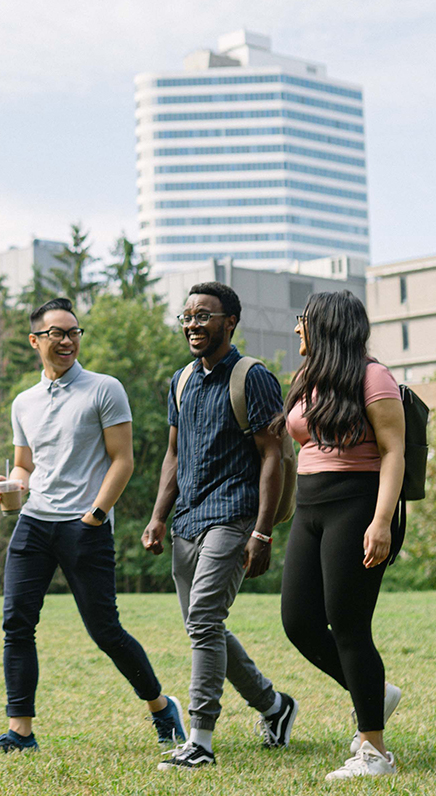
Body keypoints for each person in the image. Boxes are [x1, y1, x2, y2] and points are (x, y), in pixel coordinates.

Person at [0, 297, 186, 756]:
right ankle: (20, 733)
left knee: (105, 630)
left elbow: (122, 460)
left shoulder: (104, 389)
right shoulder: (23, 402)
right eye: (56, 333)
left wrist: (97, 515)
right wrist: (11, 484)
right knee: (16, 624)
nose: (67, 341)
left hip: (84, 524)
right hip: (34, 523)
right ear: (35, 341)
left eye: (73, 332)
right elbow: (26, 466)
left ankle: (162, 707)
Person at [142, 282, 297, 770]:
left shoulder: (253, 378)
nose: (192, 323)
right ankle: (275, 706)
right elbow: (173, 454)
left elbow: (273, 456)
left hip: (234, 515)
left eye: (204, 315)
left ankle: (200, 740)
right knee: (203, 626)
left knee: (205, 621)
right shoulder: (181, 380)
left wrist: (263, 531)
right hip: (188, 517)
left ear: (230, 322)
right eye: (187, 315)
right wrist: (158, 516)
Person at [279, 291, 405, 781]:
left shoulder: (373, 376)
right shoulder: (307, 379)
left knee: (348, 624)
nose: (297, 330)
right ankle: (377, 692)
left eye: (303, 321)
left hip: (357, 505)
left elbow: (394, 452)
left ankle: (374, 752)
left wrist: (381, 521)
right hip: (311, 509)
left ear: (326, 324)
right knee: (298, 621)